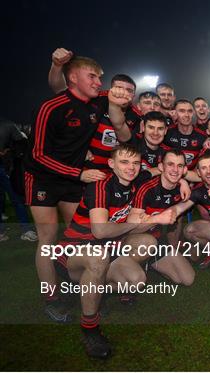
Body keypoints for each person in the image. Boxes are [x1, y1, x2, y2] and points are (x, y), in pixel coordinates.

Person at [26, 53, 113, 322]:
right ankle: (51, 297)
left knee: (81, 235)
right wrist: (79, 172)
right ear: (73, 78)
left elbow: (121, 93)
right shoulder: (51, 106)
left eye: (100, 77)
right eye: (92, 76)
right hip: (42, 179)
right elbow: (38, 154)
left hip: (74, 179)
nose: (99, 82)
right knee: (48, 240)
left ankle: (81, 283)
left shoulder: (97, 103)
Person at [53, 144, 151, 358]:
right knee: (98, 257)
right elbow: (100, 231)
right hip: (74, 252)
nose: (131, 167)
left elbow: (161, 174)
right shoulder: (100, 186)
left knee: (138, 276)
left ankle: (94, 291)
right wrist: (133, 224)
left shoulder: (136, 185)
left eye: (135, 163)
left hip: (107, 250)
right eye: (124, 162)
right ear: (111, 164)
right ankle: (90, 329)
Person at [127, 149, 195, 293]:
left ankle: (150, 262)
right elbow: (130, 228)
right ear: (161, 167)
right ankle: (129, 271)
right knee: (148, 242)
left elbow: (204, 187)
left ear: (184, 170)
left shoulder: (181, 189)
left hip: (157, 240)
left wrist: (184, 182)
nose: (175, 170)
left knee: (187, 279)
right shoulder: (147, 188)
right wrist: (156, 219)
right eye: (170, 164)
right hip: (134, 240)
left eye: (180, 166)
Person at [0, 117, 36, 241]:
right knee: (16, 199)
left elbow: (22, 144)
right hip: (6, 167)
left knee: (16, 198)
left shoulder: (7, 125)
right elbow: (23, 143)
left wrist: (9, 151)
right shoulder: (8, 124)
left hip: (6, 166)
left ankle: (26, 230)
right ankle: (26, 230)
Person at [163, 99, 207, 170]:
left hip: (194, 177)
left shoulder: (202, 136)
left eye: (189, 111)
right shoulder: (167, 133)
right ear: (175, 113)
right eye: (182, 111)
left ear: (193, 113)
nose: (186, 115)